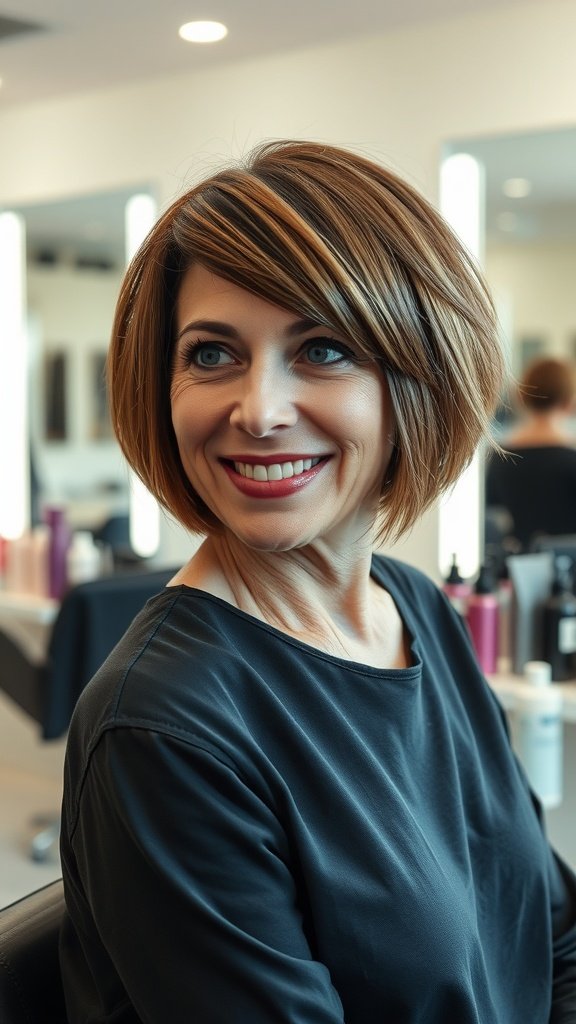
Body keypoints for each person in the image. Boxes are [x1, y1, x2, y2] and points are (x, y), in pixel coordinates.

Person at [58, 140, 576, 1023]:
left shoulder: (415, 609)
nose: (257, 411)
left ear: (419, 377)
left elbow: (554, 938)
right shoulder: (165, 730)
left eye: (324, 349)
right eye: (213, 354)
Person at [486, 356, 576, 551]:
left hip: (519, 567)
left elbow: (491, 514)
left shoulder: (499, 456)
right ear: (570, 400)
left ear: (523, 396)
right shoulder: (571, 457)